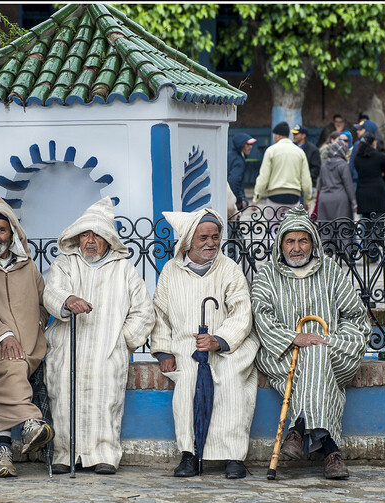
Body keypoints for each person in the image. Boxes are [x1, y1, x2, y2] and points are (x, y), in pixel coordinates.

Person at [252, 205, 370, 479]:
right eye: (290, 241)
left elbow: (356, 317)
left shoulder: (331, 271)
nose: (296, 247)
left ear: (313, 243)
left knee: (316, 353)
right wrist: (295, 337)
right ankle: (330, 450)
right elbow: (261, 317)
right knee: (313, 357)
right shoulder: (267, 275)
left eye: (302, 240)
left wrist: (327, 340)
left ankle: (298, 429)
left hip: (333, 352)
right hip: (283, 355)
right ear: (281, 244)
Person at [43, 197, 155, 475]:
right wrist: (68, 300)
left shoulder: (124, 269)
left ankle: (104, 455)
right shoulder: (65, 263)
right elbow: (51, 292)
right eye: (85, 234)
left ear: (108, 239)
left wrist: (121, 341)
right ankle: (65, 454)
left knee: (106, 403)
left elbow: (144, 311)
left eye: (97, 235)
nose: (90, 240)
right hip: (69, 346)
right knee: (64, 399)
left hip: (108, 349)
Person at [151, 209, 260, 479]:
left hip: (227, 348)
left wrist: (219, 340)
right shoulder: (171, 271)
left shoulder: (230, 269)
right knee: (187, 382)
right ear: (189, 241)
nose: (211, 242)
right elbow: (159, 315)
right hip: (187, 347)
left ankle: (233, 456)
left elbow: (241, 313)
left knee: (231, 382)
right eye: (203, 238)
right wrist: (163, 350)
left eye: (215, 236)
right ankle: (190, 454)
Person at [0, 191, 54, 478]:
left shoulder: (29, 268)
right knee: (10, 365)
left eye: (1, 230)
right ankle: (30, 422)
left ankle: (2, 453)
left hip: (28, 347)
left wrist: (35, 328)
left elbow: (43, 303)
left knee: (9, 372)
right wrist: (3, 336)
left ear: (11, 233)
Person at [252, 121, 313, 242]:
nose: (273, 137)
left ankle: (273, 257)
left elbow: (263, 177)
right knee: (291, 230)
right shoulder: (299, 152)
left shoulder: (271, 151)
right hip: (293, 196)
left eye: (274, 134)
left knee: (273, 229)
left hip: (274, 196)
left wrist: (256, 198)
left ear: (278, 135)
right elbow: (306, 179)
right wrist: (307, 200)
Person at [354, 133, 385, 263]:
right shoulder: (380, 157)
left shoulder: (357, 158)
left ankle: (369, 252)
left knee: (367, 224)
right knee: (378, 224)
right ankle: (376, 252)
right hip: (378, 192)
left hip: (363, 192)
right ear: (373, 144)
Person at [315, 139, 357, 262]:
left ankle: (326, 251)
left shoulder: (324, 165)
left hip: (324, 198)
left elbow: (320, 183)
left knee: (326, 226)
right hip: (340, 198)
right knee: (342, 225)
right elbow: (348, 185)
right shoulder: (343, 165)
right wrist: (354, 201)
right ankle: (346, 250)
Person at [227, 133, 257, 210]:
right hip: (232, 200)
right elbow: (234, 180)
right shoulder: (239, 160)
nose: (250, 147)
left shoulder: (230, 155)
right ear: (241, 145)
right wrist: (239, 200)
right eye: (247, 144)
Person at [349, 119, 380, 187]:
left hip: (358, 180)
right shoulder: (378, 146)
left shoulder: (357, 145)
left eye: (360, 130)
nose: (357, 132)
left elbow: (351, 164)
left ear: (367, 130)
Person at [291, 124, 322, 189]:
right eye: (293, 134)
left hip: (307, 185)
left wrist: (305, 179)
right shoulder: (290, 147)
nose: (294, 136)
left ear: (303, 135)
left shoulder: (313, 149)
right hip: (291, 184)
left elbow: (316, 168)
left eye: (296, 134)